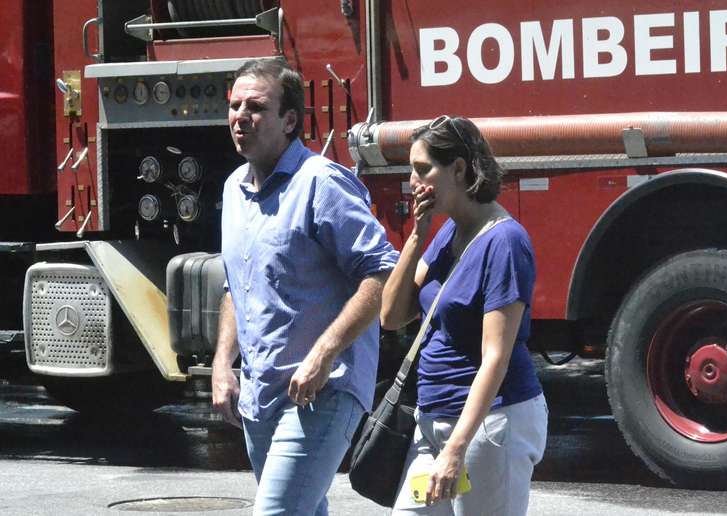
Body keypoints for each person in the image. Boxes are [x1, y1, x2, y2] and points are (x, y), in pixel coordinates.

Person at [212, 58, 398, 516]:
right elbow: (240, 286)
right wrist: (222, 363)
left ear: (290, 120)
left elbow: (382, 273)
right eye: (234, 106)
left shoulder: (322, 183)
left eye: (255, 107)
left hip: (323, 389)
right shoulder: (234, 188)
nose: (240, 117)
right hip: (263, 394)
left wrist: (324, 353)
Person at [381, 116, 548, 516]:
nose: (413, 181)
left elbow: (496, 356)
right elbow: (391, 315)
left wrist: (457, 447)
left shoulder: (505, 241)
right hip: (431, 423)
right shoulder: (447, 233)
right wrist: (417, 235)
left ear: (458, 168)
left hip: (488, 428)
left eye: (423, 170)